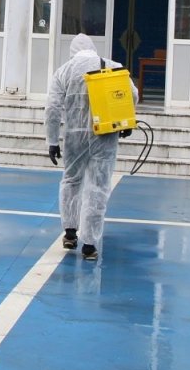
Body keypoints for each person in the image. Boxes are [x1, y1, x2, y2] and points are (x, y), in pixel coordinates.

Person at [43, 33, 137, 262]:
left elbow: (52, 109)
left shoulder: (64, 71)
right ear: (94, 49)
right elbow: (132, 94)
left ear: (73, 51)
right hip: (104, 134)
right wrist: (125, 120)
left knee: (71, 180)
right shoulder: (113, 66)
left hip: (74, 136)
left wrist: (52, 141)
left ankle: (69, 232)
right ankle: (89, 245)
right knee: (98, 186)